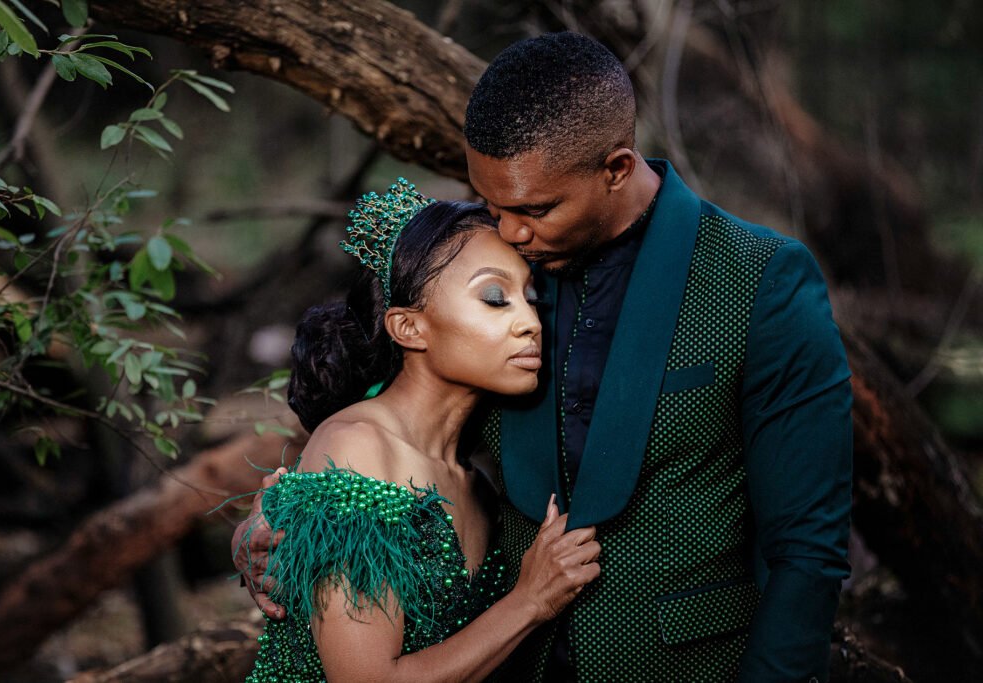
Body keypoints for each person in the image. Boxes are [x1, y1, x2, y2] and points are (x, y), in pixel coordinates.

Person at [239, 32, 852, 682]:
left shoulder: (758, 280)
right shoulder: (493, 260)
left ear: (617, 169)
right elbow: (377, 400)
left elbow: (807, 548)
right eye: (491, 204)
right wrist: (270, 520)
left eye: (535, 209)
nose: (509, 230)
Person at [234, 180, 601, 683]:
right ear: (408, 328)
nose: (530, 322)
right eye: (495, 298)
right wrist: (530, 602)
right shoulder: (357, 449)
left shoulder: (479, 480)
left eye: (531, 298)